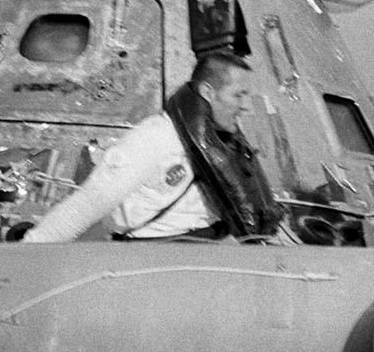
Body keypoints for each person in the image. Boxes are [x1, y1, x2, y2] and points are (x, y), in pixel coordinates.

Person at [25, 48, 282, 242]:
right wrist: (24, 254)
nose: (247, 107)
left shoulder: (224, 141)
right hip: (154, 257)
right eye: (238, 95)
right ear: (207, 93)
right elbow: (88, 204)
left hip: (207, 251)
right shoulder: (156, 138)